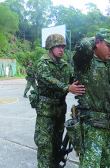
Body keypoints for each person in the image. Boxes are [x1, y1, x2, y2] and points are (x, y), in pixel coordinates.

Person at [73, 28, 110, 168]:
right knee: (90, 165)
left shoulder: (109, 63)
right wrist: (94, 38)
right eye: (109, 46)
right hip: (93, 126)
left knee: (105, 164)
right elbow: (82, 45)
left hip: (109, 124)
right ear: (97, 43)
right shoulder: (85, 62)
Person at [34, 33, 85, 167]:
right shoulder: (42, 63)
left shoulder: (64, 65)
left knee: (57, 143)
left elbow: (73, 78)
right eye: (58, 46)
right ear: (50, 48)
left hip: (60, 109)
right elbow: (48, 80)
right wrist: (67, 87)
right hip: (46, 111)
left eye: (62, 46)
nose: (61, 49)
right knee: (45, 145)